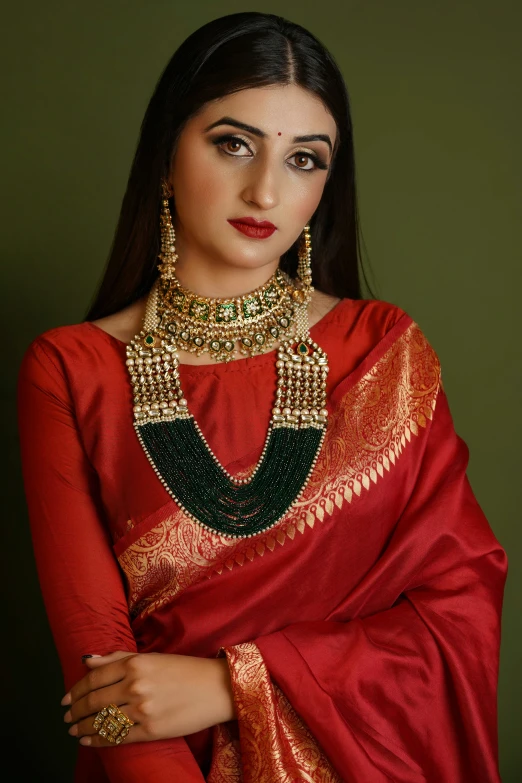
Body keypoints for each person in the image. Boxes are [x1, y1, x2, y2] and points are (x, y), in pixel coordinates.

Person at [17, 11, 508, 783]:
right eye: (233, 143)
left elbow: (456, 611)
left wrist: (230, 681)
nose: (267, 188)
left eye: (305, 159)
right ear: (166, 154)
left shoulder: (384, 353)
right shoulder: (72, 368)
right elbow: (107, 684)